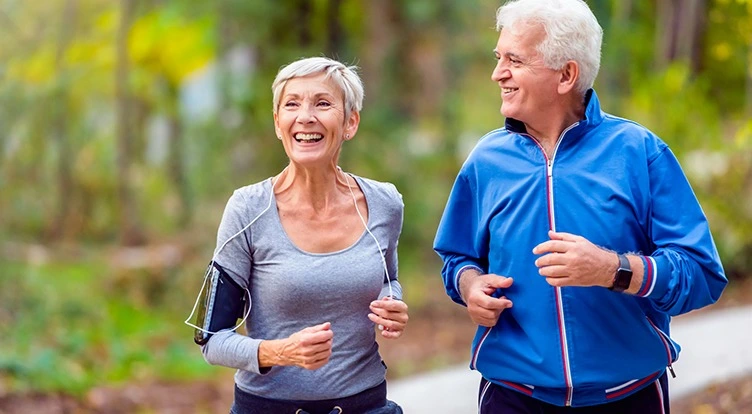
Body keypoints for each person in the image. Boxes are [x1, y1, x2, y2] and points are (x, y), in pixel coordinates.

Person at [433, 0, 727, 412]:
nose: (497, 73)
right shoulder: (486, 161)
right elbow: (456, 257)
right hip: (511, 397)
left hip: (629, 396)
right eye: (499, 58)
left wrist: (612, 270)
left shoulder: (639, 152)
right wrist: (469, 286)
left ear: (566, 75)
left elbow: (701, 275)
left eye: (514, 60)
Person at [187, 56, 407, 414]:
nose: (305, 116)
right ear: (278, 123)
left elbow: (389, 278)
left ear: (350, 122)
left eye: (322, 103)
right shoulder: (247, 210)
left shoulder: (384, 203)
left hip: (367, 405)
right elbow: (211, 339)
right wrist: (280, 351)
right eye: (292, 104)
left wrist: (391, 303)